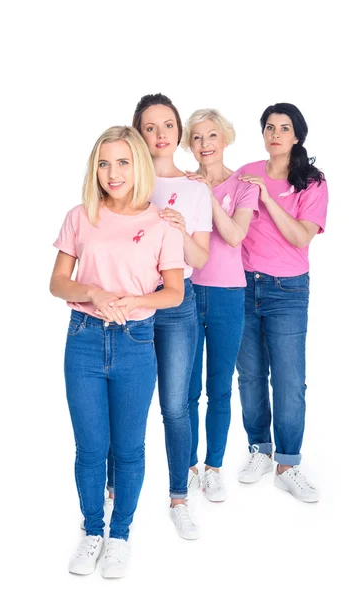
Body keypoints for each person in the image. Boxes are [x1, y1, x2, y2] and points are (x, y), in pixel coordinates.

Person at [50, 125, 185, 577]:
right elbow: (57, 284)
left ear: (138, 166)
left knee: (128, 449)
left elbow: (174, 292)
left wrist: (135, 301)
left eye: (123, 161)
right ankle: (92, 531)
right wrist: (92, 291)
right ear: (95, 168)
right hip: (83, 338)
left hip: (135, 343)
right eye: (104, 163)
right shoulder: (80, 215)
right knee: (91, 448)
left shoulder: (159, 222)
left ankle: (120, 534)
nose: (113, 172)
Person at [109, 93, 212, 540]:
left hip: (175, 304)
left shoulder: (194, 189)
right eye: (149, 127)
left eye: (167, 124)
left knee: (174, 405)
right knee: (121, 403)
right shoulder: (124, 181)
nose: (160, 134)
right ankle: (110, 492)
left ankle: (178, 498)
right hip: (129, 303)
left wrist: (180, 228)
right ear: (138, 133)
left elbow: (201, 259)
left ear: (177, 131)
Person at [235, 103, 328, 502]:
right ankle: (260, 449)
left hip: (287, 291)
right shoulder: (246, 173)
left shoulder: (311, 181)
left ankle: (288, 464)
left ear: (296, 136)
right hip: (239, 286)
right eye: (269, 127)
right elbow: (217, 200)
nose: (275, 134)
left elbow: (301, 237)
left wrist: (268, 200)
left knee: (289, 381)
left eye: (283, 128)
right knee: (251, 375)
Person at [181, 109, 259, 501]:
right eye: (196, 137)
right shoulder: (183, 183)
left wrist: (206, 196)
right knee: (187, 389)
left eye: (212, 136)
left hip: (229, 294)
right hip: (188, 292)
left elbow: (234, 236)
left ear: (225, 139)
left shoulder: (244, 186)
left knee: (220, 389)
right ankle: (189, 467)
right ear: (188, 144)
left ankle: (213, 467)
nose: (205, 144)